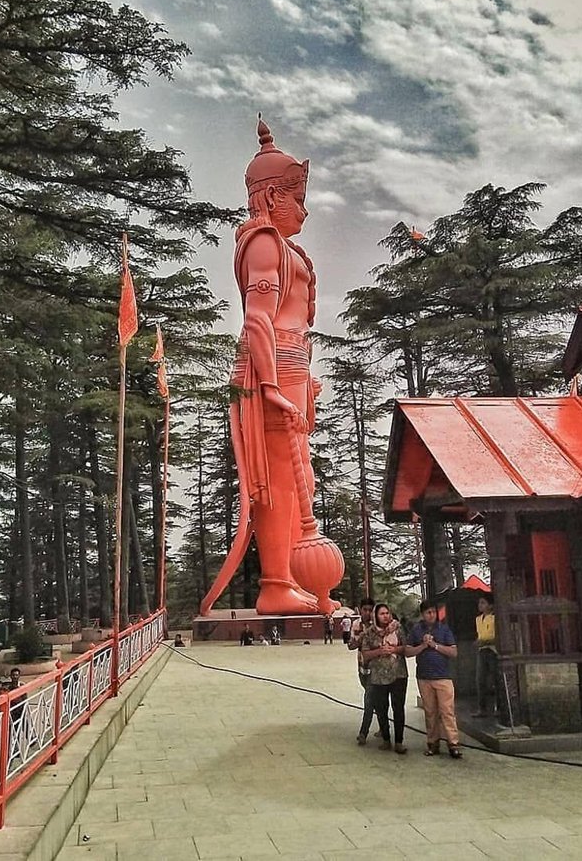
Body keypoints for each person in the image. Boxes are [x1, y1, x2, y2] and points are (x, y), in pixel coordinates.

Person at [200, 119, 343, 617]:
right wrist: (271, 386)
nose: (303, 208)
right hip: (271, 372)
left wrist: (304, 384)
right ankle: (277, 583)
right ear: (270, 197)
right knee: (277, 479)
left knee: (298, 477)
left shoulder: (287, 250)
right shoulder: (263, 244)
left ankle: (291, 581)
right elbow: (257, 320)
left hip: (293, 370)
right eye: (296, 197)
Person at [405, 598, 461, 759]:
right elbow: (408, 651)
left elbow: (453, 652)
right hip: (424, 677)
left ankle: (453, 743)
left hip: (443, 676)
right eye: (428, 612)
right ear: (422, 614)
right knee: (430, 712)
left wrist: (435, 645)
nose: (432, 615)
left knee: (447, 711)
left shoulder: (444, 629)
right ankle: (433, 742)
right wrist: (423, 646)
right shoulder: (417, 630)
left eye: (434, 612)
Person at [360, 603, 408, 755]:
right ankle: (386, 739)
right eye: (382, 614)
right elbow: (365, 655)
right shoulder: (369, 633)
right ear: (376, 616)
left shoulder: (398, 629)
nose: (385, 616)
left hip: (398, 674)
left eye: (387, 613)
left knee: (398, 708)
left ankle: (399, 742)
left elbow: (406, 647)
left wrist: (394, 649)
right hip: (378, 677)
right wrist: (380, 651)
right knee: (381, 709)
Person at [348, 599, 376, 745]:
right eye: (364, 609)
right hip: (362, 668)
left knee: (369, 700)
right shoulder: (356, 624)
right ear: (360, 609)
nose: (367, 613)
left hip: (376, 668)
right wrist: (362, 638)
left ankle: (363, 732)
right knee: (375, 699)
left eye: (370, 610)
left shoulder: (378, 625)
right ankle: (385, 728)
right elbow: (351, 645)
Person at [473, 594, 497, 718]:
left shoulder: (495, 618)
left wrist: (486, 641)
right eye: (480, 603)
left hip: (493, 650)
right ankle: (482, 708)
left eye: (483, 603)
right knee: (480, 680)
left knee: (495, 679)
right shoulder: (478, 619)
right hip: (482, 650)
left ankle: (498, 707)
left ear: (490, 605)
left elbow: (497, 636)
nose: (480, 605)